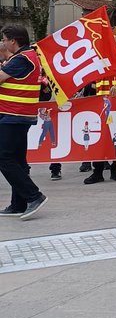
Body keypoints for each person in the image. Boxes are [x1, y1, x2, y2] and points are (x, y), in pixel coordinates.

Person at [0, 25, 47, 220]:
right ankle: (18, 204)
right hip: (17, 116)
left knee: (4, 157)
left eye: (4, 39)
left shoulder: (22, 58)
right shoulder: (25, 57)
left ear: (13, 40)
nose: (2, 43)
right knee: (18, 159)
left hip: (14, 115)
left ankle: (34, 196)